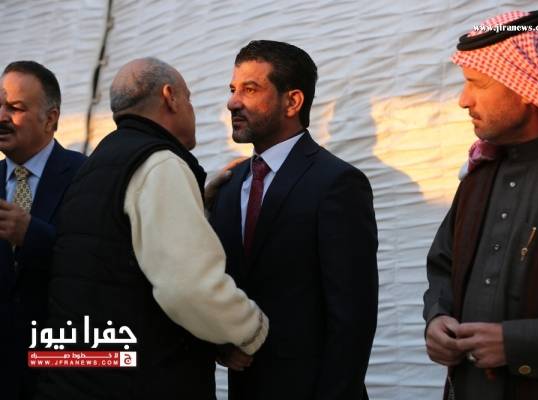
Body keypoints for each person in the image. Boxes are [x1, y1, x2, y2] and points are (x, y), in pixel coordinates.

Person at [34, 58, 268, 399]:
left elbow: (116, 256)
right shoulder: (160, 164)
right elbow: (188, 287)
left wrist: (196, 205)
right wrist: (251, 330)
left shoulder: (96, 165)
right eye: (189, 98)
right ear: (170, 96)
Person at [423, 10, 538, 400]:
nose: (463, 100)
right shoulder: (478, 177)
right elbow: (442, 266)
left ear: (527, 85)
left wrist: (523, 344)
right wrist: (436, 317)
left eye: (477, 83)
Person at [209, 40, 379, 400]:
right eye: (232, 89)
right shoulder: (227, 187)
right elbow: (223, 283)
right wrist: (221, 342)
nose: (232, 102)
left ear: (293, 102)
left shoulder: (337, 183)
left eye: (249, 89)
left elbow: (353, 316)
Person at [0, 61, 86, 399]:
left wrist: (31, 235)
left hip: (58, 370)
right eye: (0, 106)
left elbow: (95, 263)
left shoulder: (85, 175)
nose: (2, 116)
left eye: (16, 108)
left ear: (51, 119)